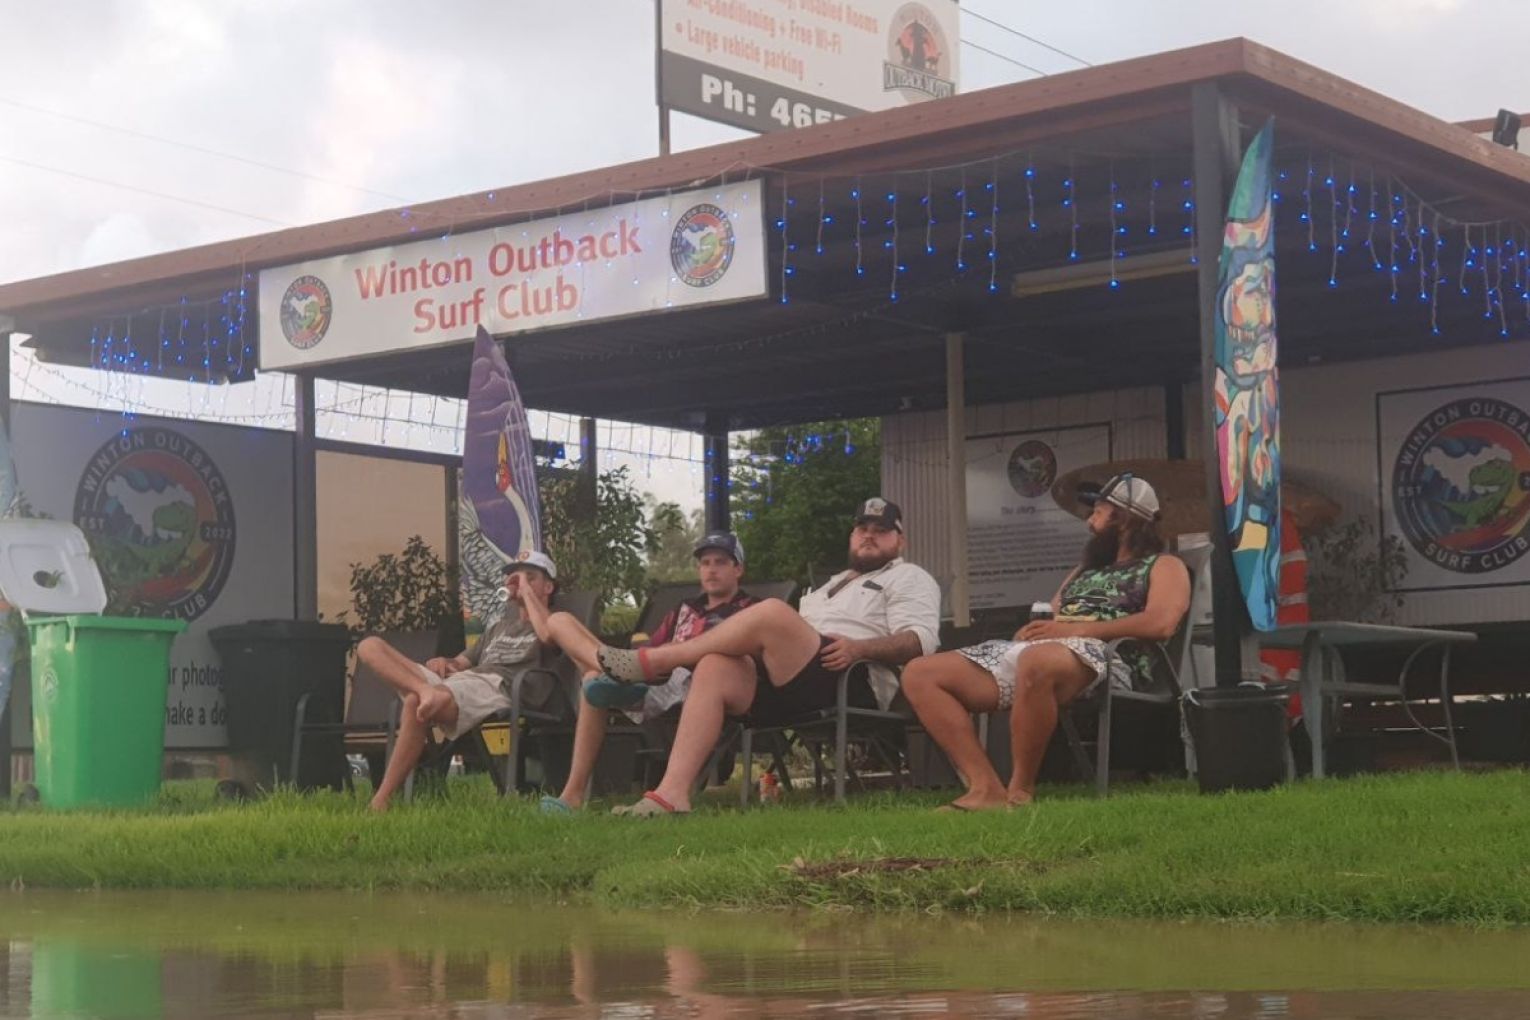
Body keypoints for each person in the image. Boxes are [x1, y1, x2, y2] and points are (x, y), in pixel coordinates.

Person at [595, 497, 941, 816]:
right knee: (715, 665)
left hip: (850, 675)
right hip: (792, 680)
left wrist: (859, 648)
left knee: (772, 612)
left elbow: (920, 641)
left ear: (900, 541)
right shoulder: (829, 585)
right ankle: (671, 794)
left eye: (881, 531)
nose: (869, 536)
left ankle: (655, 663)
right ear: (852, 536)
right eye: (863, 529)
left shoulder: (909, 577)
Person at [901, 474, 1190, 811]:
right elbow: (1055, 616)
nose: (1089, 521)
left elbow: (1161, 623)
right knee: (920, 673)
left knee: (1037, 660)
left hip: (1112, 658)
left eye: (1098, 511)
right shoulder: (1085, 569)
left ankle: (1019, 791)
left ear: (1124, 518)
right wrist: (1036, 630)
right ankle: (985, 789)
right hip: (1049, 653)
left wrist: (1075, 632)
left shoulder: (1164, 565)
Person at [535, 531, 759, 814]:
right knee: (563, 627)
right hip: (654, 680)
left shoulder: (750, 610)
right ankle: (572, 796)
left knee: (596, 677)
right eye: (705, 563)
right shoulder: (684, 609)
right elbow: (651, 650)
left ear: (738, 568)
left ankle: (611, 672)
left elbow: (746, 659)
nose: (711, 569)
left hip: (701, 682)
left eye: (720, 562)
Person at [357, 550, 565, 811]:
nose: (518, 583)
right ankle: (425, 690)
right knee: (370, 645)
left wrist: (527, 592)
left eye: (530, 577)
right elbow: (461, 663)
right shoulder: (498, 628)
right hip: (464, 680)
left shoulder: (557, 622)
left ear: (549, 586)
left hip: (498, 687)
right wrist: (446, 663)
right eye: (514, 577)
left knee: (413, 703)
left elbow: (549, 637)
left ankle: (380, 801)